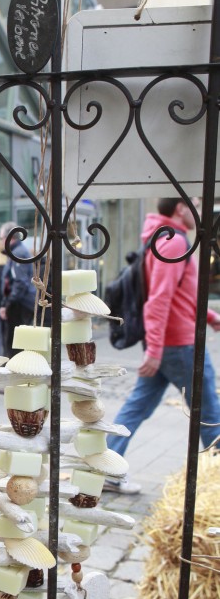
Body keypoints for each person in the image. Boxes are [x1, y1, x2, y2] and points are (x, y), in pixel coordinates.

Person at [105, 196, 220, 494]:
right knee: (210, 413)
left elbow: (180, 295)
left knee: (137, 406)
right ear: (180, 208)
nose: (199, 208)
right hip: (179, 346)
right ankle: (216, 482)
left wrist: (209, 317)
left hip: (170, 343)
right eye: (195, 202)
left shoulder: (162, 237)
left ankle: (105, 469)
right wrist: (155, 350)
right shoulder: (174, 242)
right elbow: (158, 299)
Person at [0, 220, 37, 358]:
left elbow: (20, 283)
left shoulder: (18, 253)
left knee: (15, 346)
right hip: (20, 303)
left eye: (1, 238)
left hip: (20, 306)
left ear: (9, 238)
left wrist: (8, 304)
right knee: (15, 344)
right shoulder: (17, 252)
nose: (1, 242)